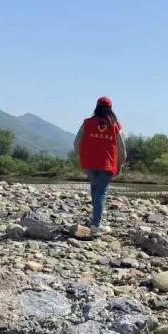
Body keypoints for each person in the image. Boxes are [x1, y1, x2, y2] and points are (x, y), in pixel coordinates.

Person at [74, 96, 127, 233]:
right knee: (101, 193)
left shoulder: (87, 123)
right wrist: (120, 165)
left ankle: (94, 220)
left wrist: (82, 157)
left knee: (95, 189)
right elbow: (121, 149)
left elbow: (76, 143)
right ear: (110, 108)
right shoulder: (115, 125)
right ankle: (96, 224)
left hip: (90, 163)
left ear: (96, 107)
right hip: (107, 164)